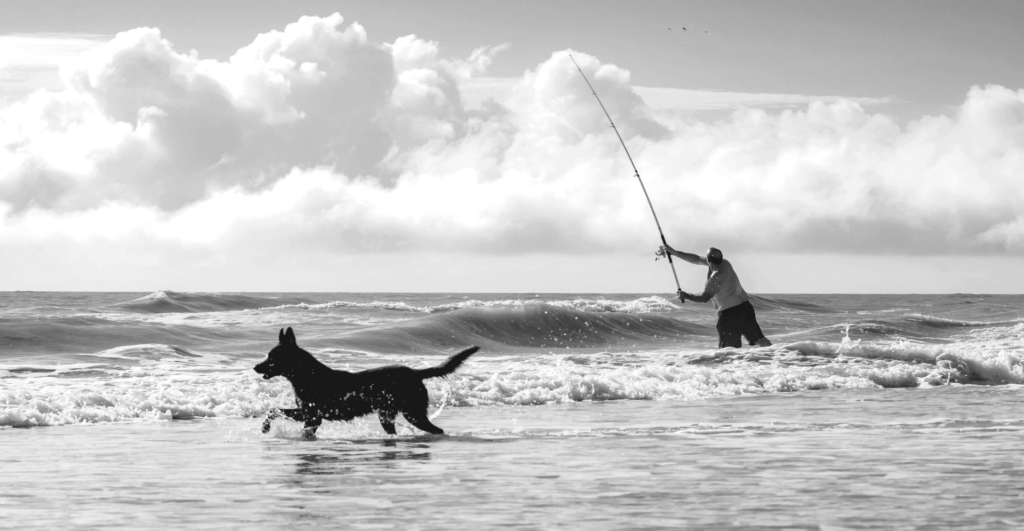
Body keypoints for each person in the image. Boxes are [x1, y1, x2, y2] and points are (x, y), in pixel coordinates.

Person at [657, 244, 772, 349]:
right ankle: (778, 357)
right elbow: (695, 259)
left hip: (730, 314)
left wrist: (686, 295)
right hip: (746, 308)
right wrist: (674, 253)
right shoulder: (724, 263)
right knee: (760, 340)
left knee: (728, 351)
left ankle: (732, 371)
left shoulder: (716, 277)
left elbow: (704, 297)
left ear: (709, 261)